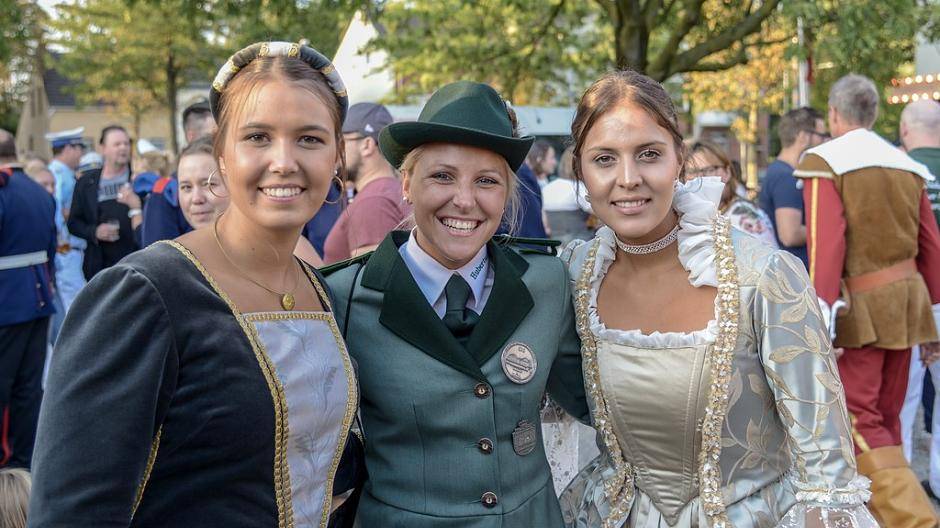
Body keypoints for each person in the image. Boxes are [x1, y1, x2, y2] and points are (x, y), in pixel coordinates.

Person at [28, 41, 364, 527]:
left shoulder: (321, 292)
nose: (285, 161)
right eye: (258, 137)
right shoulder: (145, 293)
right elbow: (72, 511)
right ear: (222, 158)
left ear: (336, 158)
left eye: (310, 139)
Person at [557, 70, 876, 528]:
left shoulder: (763, 277)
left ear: (679, 159)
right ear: (581, 173)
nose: (628, 179)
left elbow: (826, 471)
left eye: (649, 155)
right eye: (604, 159)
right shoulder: (575, 275)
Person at [324, 80, 588, 527]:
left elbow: (592, 399)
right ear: (406, 183)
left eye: (486, 181)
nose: (464, 201)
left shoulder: (548, 282)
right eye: (442, 176)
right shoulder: (345, 296)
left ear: (506, 194)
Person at [795, 74, 940, 526]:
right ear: (875, 115)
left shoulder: (824, 161)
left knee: (858, 420)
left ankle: (915, 519)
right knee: (888, 419)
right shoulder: (906, 165)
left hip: (856, 312)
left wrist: (817, 321)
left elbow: (827, 249)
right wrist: (935, 320)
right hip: (909, 306)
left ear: (834, 115)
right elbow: (931, 247)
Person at [0, 130, 57, 470]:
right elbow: (49, 249)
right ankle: (23, 466)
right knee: (28, 390)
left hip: (6, 304)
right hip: (37, 299)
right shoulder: (38, 191)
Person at [896, 98, 940, 501]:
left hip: (913, 297)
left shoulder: (900, 170)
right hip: (934, 295)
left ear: (906, 130)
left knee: (905, 397)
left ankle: (902, 484)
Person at [323, 102, 408, 264]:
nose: (335, 152)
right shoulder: (391, 190)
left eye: (342, 142)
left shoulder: (373, 202)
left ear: (367, 145)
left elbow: (372, 283)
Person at [67, 125, 141, 279]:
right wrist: (95, 231)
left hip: (135, 266)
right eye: (117, 144)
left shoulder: (140, 180)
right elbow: (73, 223)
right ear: (103, 148)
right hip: (98, 268)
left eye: (126, 143)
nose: (123, 148)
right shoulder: (86, 182)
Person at [759, 107, 828, 268]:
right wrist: (828, 229)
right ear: (803, 136)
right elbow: (790, 234)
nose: (825, 141)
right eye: (821, 136)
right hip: (794, 275)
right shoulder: (786, 177)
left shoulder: (781, 171)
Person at [686, 139, 778, 248]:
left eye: (709, 170)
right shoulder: (693, 217)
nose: (700, 178)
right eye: (692, 172)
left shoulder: (744, 215)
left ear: (727, 172)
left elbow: (769, 262)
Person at [44, 129, 87, 312]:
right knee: (78, 310)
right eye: (79, 148)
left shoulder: (59, 172)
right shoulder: (59, 175)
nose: (81, 154)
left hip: (68, 252)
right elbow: (56, 211)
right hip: (67, 251)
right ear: (68, 148)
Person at [541, 145, 594, 244]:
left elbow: (545, 223)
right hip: (581, 245)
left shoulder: (547, 188)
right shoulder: (578, 188)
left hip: (554, 246)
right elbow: (599, 212)